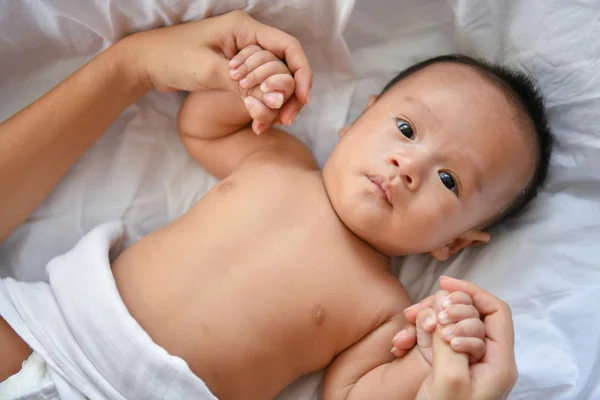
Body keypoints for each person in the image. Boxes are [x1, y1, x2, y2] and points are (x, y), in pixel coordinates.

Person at [0, 10, 547, 400]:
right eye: (405, 129)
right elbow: (202, 127)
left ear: (454, 243)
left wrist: (431, 358)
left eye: (449, 180)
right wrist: (253, 87)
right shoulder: (280, 161)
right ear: (358, 119)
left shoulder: (385, 307)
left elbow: (350, 392)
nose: (409, 166)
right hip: (57, 329)